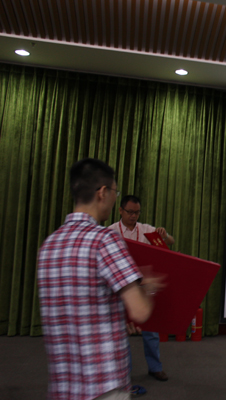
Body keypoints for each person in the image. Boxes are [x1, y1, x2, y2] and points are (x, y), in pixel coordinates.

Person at [37, 158, 164, 400]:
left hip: (64, 386)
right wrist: (148, 287)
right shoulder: (105, 239)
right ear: (103, 192)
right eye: (115, 192)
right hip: (104, 383)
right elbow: (139, 311)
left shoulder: (49, 245)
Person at [109, 195, 174, 383]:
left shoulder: (146, 230)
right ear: (120, 211)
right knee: (120, 331)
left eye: (137, 213)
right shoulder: (111, 232)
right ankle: (122, 372)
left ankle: (155, 368)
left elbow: (171, 241)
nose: (133, 216)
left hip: (144, 286)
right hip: (120, 287)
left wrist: (164, 235)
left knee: (151, 329)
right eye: (130, 212)